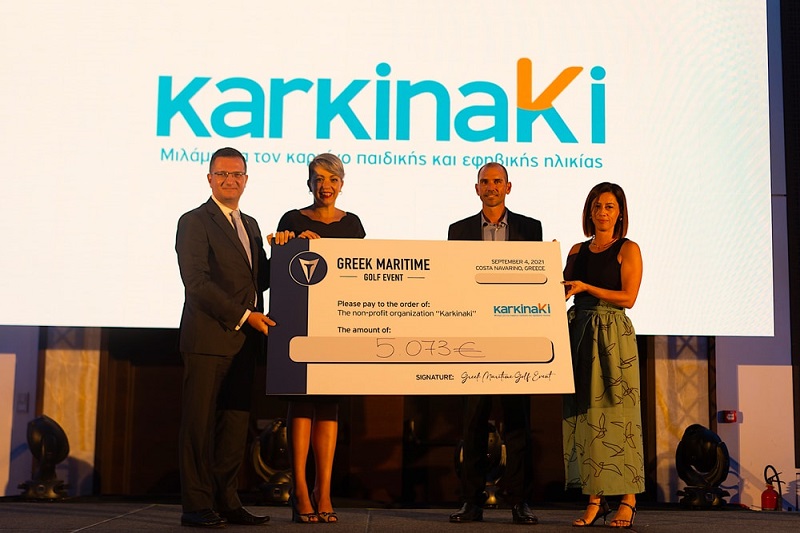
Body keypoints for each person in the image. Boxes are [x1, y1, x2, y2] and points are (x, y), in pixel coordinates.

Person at [175, 146, 292, 528]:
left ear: (246, 179)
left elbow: (260, 280)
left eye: (237, 174)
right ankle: (196, 505)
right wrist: (244, 316)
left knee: (235, 426)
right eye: (223, 174)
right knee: (199, 426)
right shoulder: (194, 221)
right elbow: (196, 283)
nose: (230, 180)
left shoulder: (251, 225)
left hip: (244, 343)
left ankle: (227, 502)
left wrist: (290, 251)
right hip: (208, 340)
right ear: (209, 178)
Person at [447, 162, 541, 525]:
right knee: (472, 424)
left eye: (497, 181)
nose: (491, 187)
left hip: (516, 337)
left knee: (518, 424)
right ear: (477, 189)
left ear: (508, 187)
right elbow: (451, 281)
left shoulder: (530, 229)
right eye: (485, 182)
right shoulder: (458, 231)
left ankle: (520, 502)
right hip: (473, 338)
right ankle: (471, 503)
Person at [277, 153, 366, 524]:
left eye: (332, 179)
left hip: (336, 324)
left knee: (329, 407)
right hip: (300, 324)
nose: (325, 186)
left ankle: (323, 491)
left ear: (341, 184)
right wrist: (289, 244)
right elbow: (278, 270)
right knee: (301, 406)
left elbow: (361, 274)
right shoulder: (292, 220)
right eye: (318, 178)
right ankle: (300, 489)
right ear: (309, 183)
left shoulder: (353, 224)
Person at [561, 182, 644, 528]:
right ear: (589, 211)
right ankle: (595, 499)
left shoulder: (628, 248)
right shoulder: (576, 250)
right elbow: (562, 292)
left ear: (620, 212)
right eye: (597, 206)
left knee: (619, 415)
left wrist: (587, 288)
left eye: (609, 206)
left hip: (612, 337)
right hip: (579, 334)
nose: (602, 212)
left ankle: (628, 499)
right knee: (585, 417)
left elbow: (628, 298)